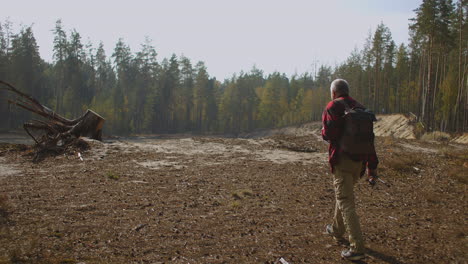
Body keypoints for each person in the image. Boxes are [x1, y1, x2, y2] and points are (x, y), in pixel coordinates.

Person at [321, 79, 379, 260]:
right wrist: (372, 168)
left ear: (333, 92)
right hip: (359, 163)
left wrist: (323, 131)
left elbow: (329, 134)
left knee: (345, 201)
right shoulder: (360, 108)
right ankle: (336, 230)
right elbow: (369, 140)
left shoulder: (333, 106)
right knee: (343, 195)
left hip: (342, 160)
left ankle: (357, 249)